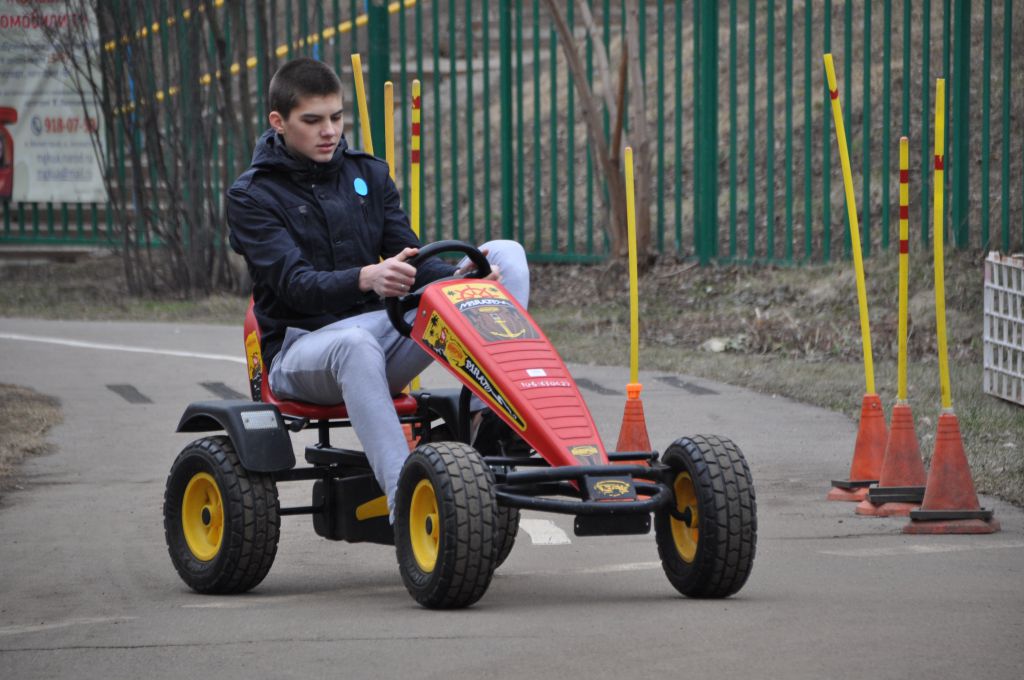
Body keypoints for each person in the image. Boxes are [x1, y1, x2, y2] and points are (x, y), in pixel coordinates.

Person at [227, 58, 529, 520]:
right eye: (312, 121)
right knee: (354, 343)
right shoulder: (252, 196)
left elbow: (412, 261)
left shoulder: (368, 174)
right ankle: (404, 501)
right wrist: (366, 277)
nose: (329, 131)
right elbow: (294, 286)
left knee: (505, 254)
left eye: (336, 117)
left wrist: (463, 283)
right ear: (279, 122)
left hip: (382, 334)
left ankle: (496, 419)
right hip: (302, 351)